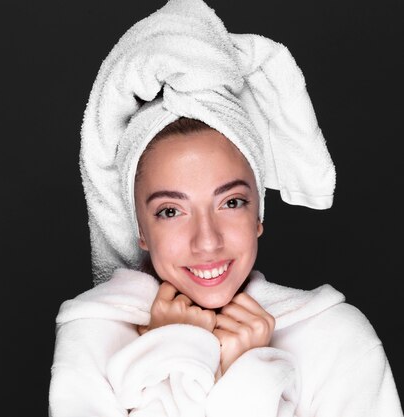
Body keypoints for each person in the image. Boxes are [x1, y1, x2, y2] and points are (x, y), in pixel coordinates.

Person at [48, 0, 403, 415]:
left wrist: (244, 373)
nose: (207, 240)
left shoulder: (338, 340)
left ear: (258, 215)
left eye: (231, 202)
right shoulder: (94, 336)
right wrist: (177, 352)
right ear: (140, 228)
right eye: (170, 210)